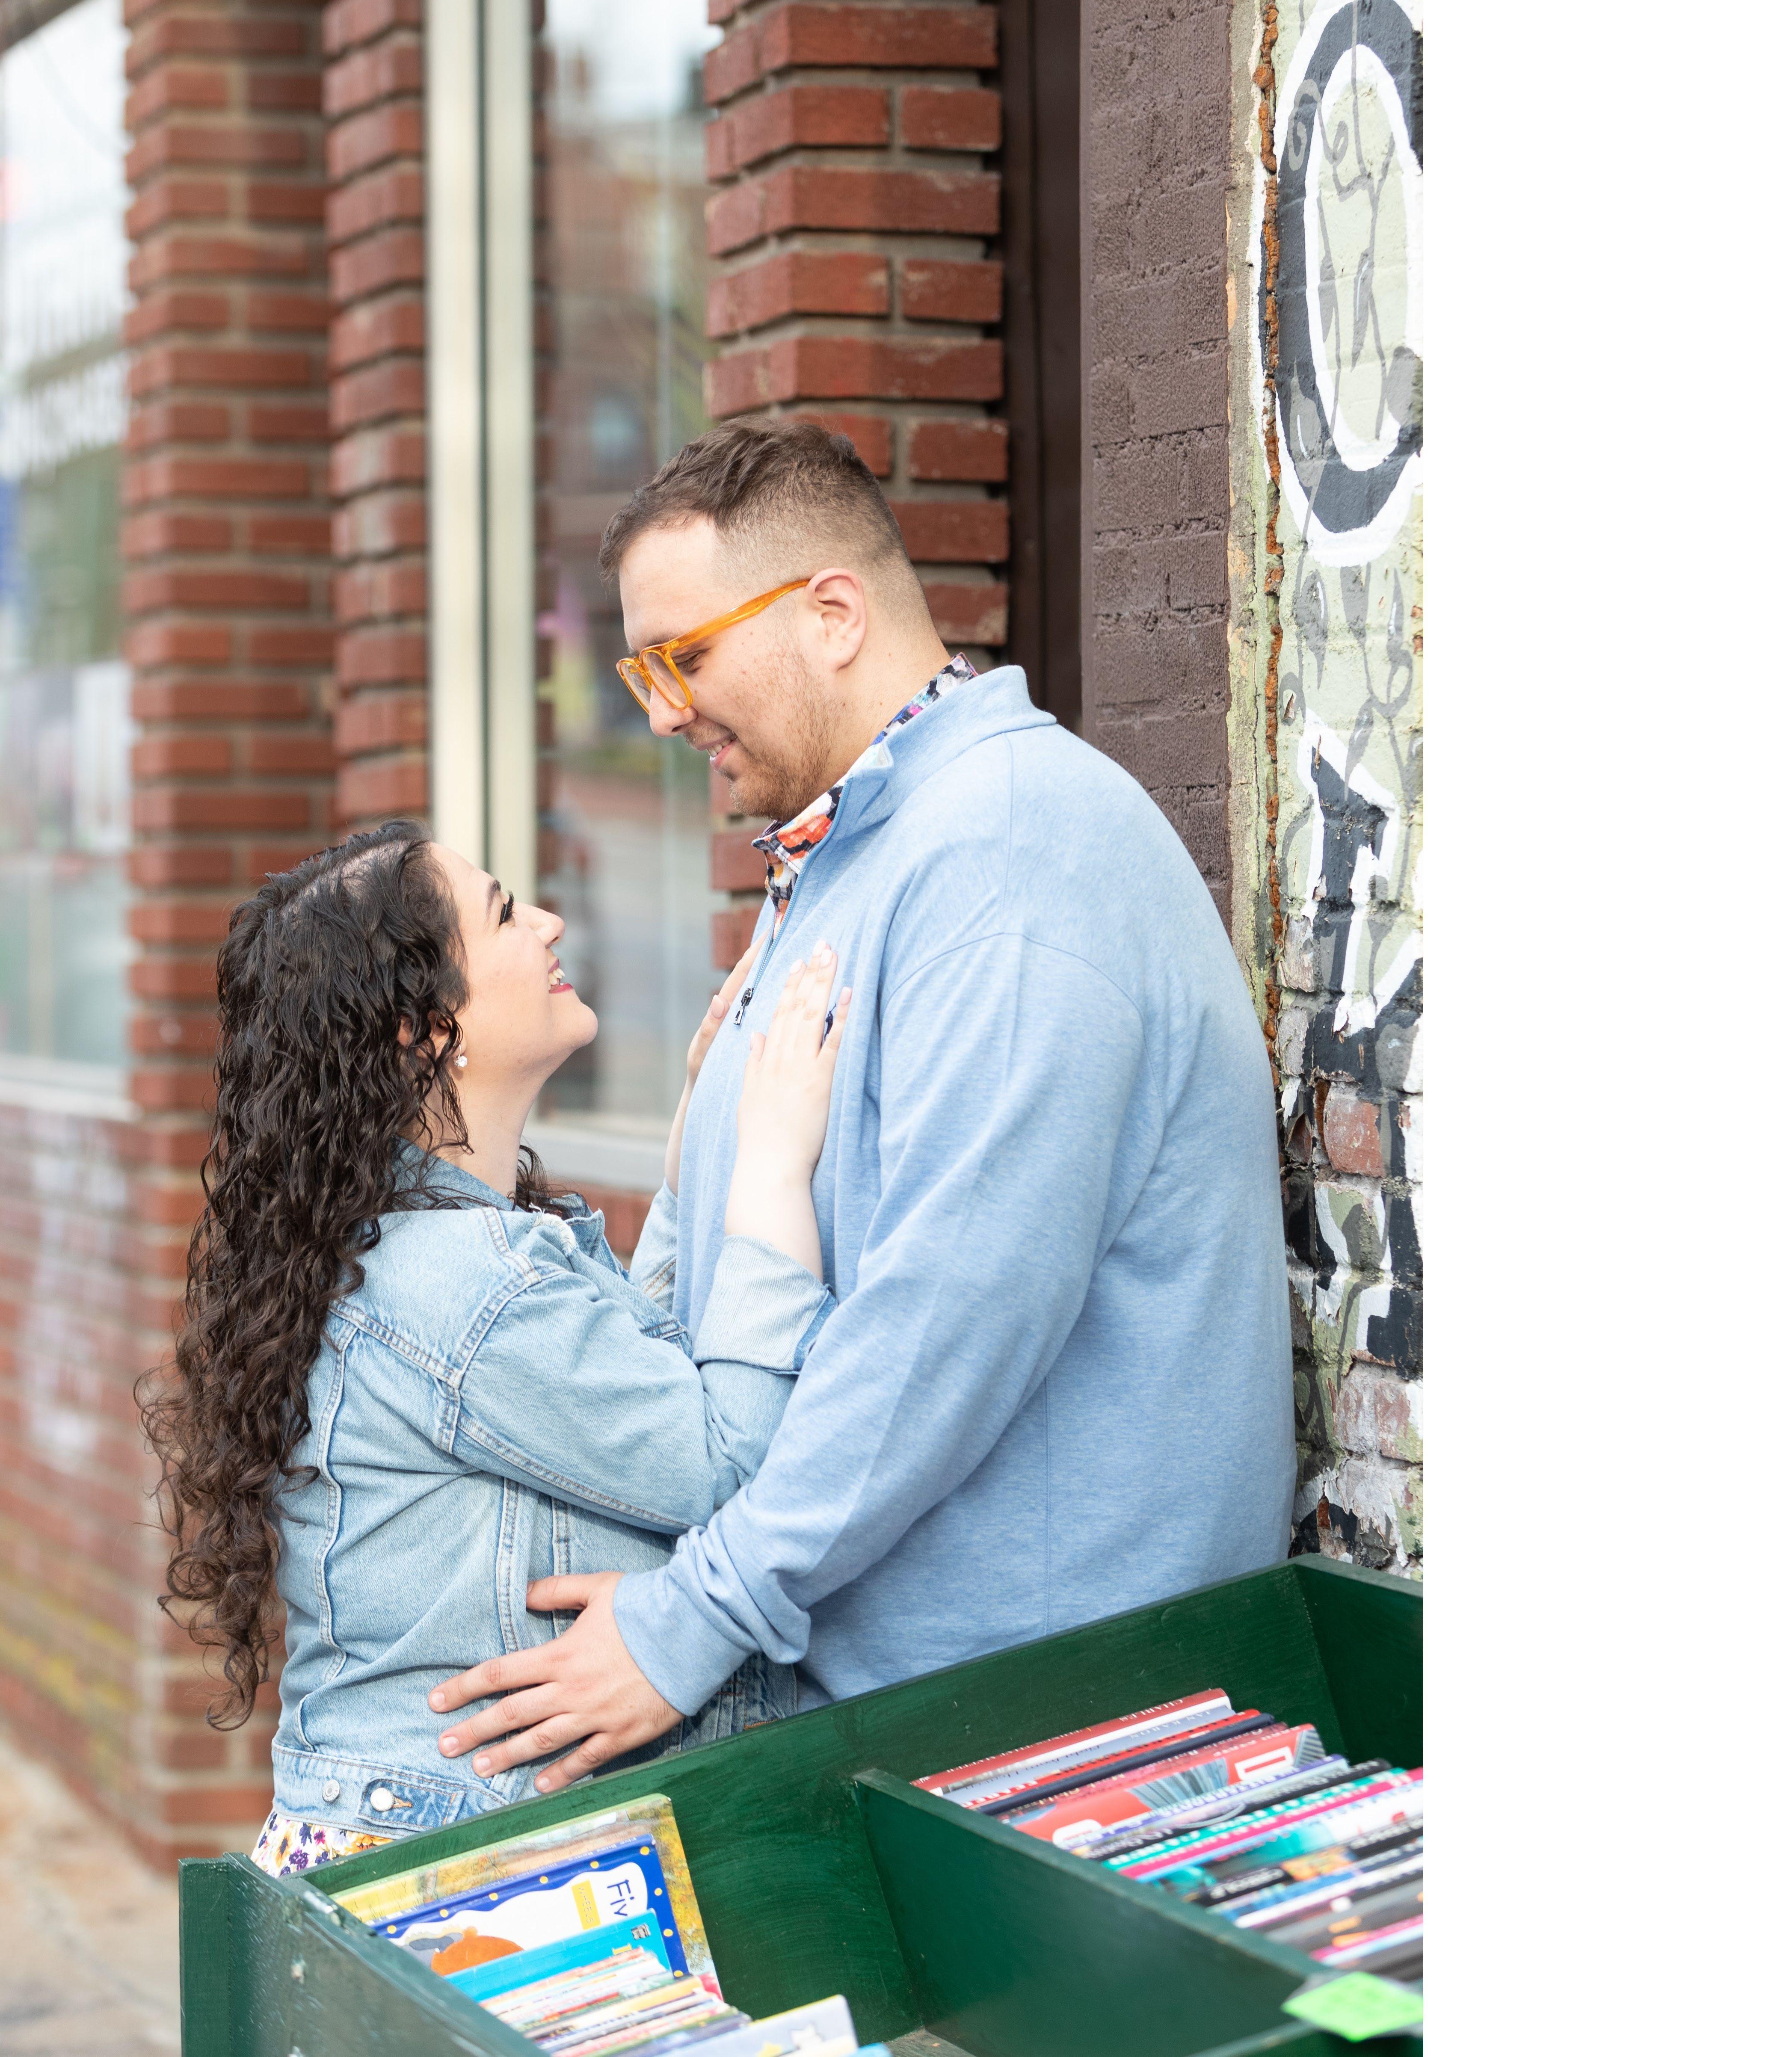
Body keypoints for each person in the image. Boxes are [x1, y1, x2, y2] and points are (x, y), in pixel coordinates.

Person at [427, 420, 1294, 1794]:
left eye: (683, 657)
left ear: (832, 613)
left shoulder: (1010, 852)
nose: (659, 712)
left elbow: (950, 1316)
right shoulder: (850, 857)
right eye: (641, 669)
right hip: (924, 1733)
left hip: (1057, 1748)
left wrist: (692, 1617)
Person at [139, 823, 852, 1871]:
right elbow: (729, 1462)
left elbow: (616, 1379)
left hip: (409, 1843)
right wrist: (772, 1166)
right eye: (510, 913)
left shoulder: (433, 1248)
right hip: (461, 1875)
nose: (554, 922)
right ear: (427, 1031)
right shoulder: (462, 1278)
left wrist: (693, 1151)